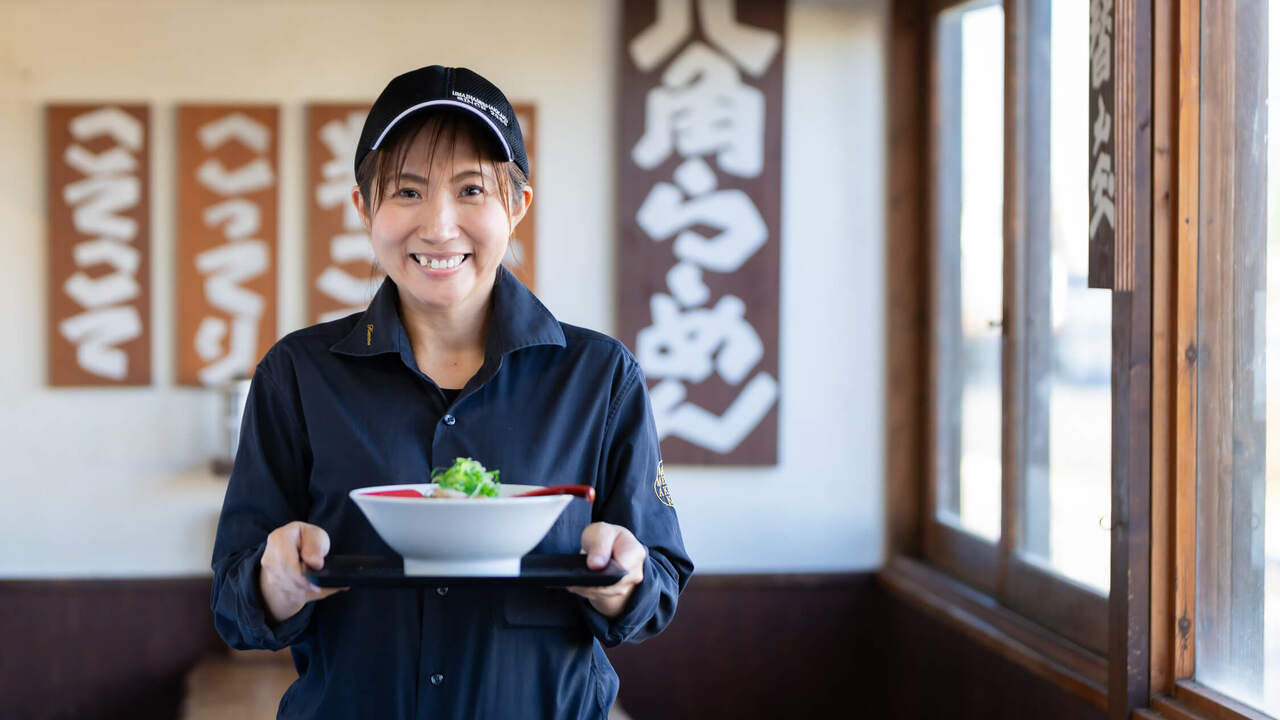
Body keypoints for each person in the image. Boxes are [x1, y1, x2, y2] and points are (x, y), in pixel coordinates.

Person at [210, 65, 693, 719]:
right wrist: (275, 581)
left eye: (471, 189)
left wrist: (623, 581)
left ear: (517, 207)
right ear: (364, 208)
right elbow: (234, 605)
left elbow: (660, 585)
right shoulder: (297, 375)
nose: (438, 226)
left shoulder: (599, 377)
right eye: (407, 192)